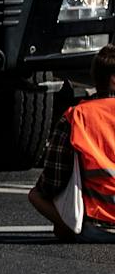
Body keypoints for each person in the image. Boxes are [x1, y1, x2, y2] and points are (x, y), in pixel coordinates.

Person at [29, 44, 115, 242]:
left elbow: (50, 183)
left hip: (99, 228)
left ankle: (71, 229)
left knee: (35, 195)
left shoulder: (77, 116)